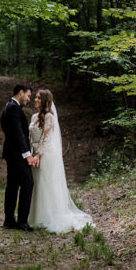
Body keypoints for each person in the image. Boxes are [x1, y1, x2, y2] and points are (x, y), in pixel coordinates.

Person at [27, 89, 94, 233]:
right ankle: (35, 216)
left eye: (38, 98)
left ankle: (48, 216)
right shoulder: (33, 117)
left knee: (45, 184)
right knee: (36, 183)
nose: (35, 100)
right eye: (35, 97)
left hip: (46, 154)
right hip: (35, 154)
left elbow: (46, 138)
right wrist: (31, 154)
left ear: (44, 100)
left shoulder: (49, 117)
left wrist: (38, 155)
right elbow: (31, 138)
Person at [0, 84, 37, 231]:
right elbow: (18, 134)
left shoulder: (8, 106)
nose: (29, 99)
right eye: (28, 96)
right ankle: (22, 221)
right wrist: (27, 155)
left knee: (13, 186)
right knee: (28, 183)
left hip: (11, 153)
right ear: (20, 93)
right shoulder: (14, 108)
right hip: (17, 155)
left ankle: (9, 220)